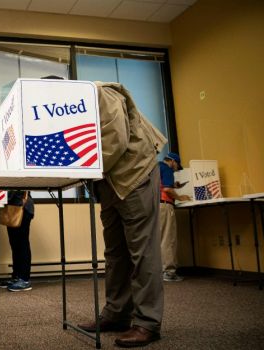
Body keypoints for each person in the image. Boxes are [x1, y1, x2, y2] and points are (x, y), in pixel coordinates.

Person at [78, 82, 168, 348]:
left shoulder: (99, 93)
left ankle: (147, 322)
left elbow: (115, 138)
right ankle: (117, 313)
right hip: (109, 181)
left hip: (134, 173)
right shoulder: (65, 111)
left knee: (142, 250)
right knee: (115, 252)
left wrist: (78, 170)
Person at [159, 152, 191, 282]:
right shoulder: (167, 168)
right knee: (168, 238)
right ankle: (169, 272)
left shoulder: (156, 167)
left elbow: (161, 186)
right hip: (165, 205)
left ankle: (160, 271)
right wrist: (180, 197)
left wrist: (174, 185)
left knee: (158, 239)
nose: (176, 169)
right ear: (172, 161)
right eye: (177, 166)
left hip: (153, 206)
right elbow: (166, 190)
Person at [3, 190, 35, 292]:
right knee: (15, 245)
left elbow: (12, 189)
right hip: (13, 209)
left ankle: (24, 280)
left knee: (22, 244)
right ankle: (17, 277)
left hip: (22, 208)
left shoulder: (15, 174)